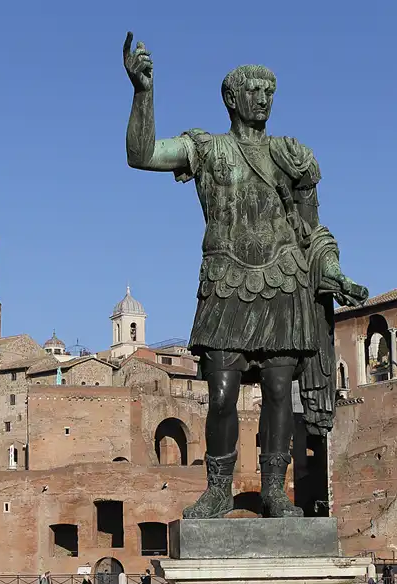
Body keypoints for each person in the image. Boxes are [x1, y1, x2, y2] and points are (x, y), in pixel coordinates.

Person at [123, 33, 367, 519]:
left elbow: (313, 230)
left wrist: (333, 271)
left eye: (269, 92)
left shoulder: (291, 155)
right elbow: (142, 153)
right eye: (253, 91)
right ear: (231, 99)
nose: (263, 99)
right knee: (221, 391)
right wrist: (143, 92)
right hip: (226, 283)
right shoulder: (206, 149)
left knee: (280, 391)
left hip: (283, 281)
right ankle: (218, 489)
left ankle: (275, 490)